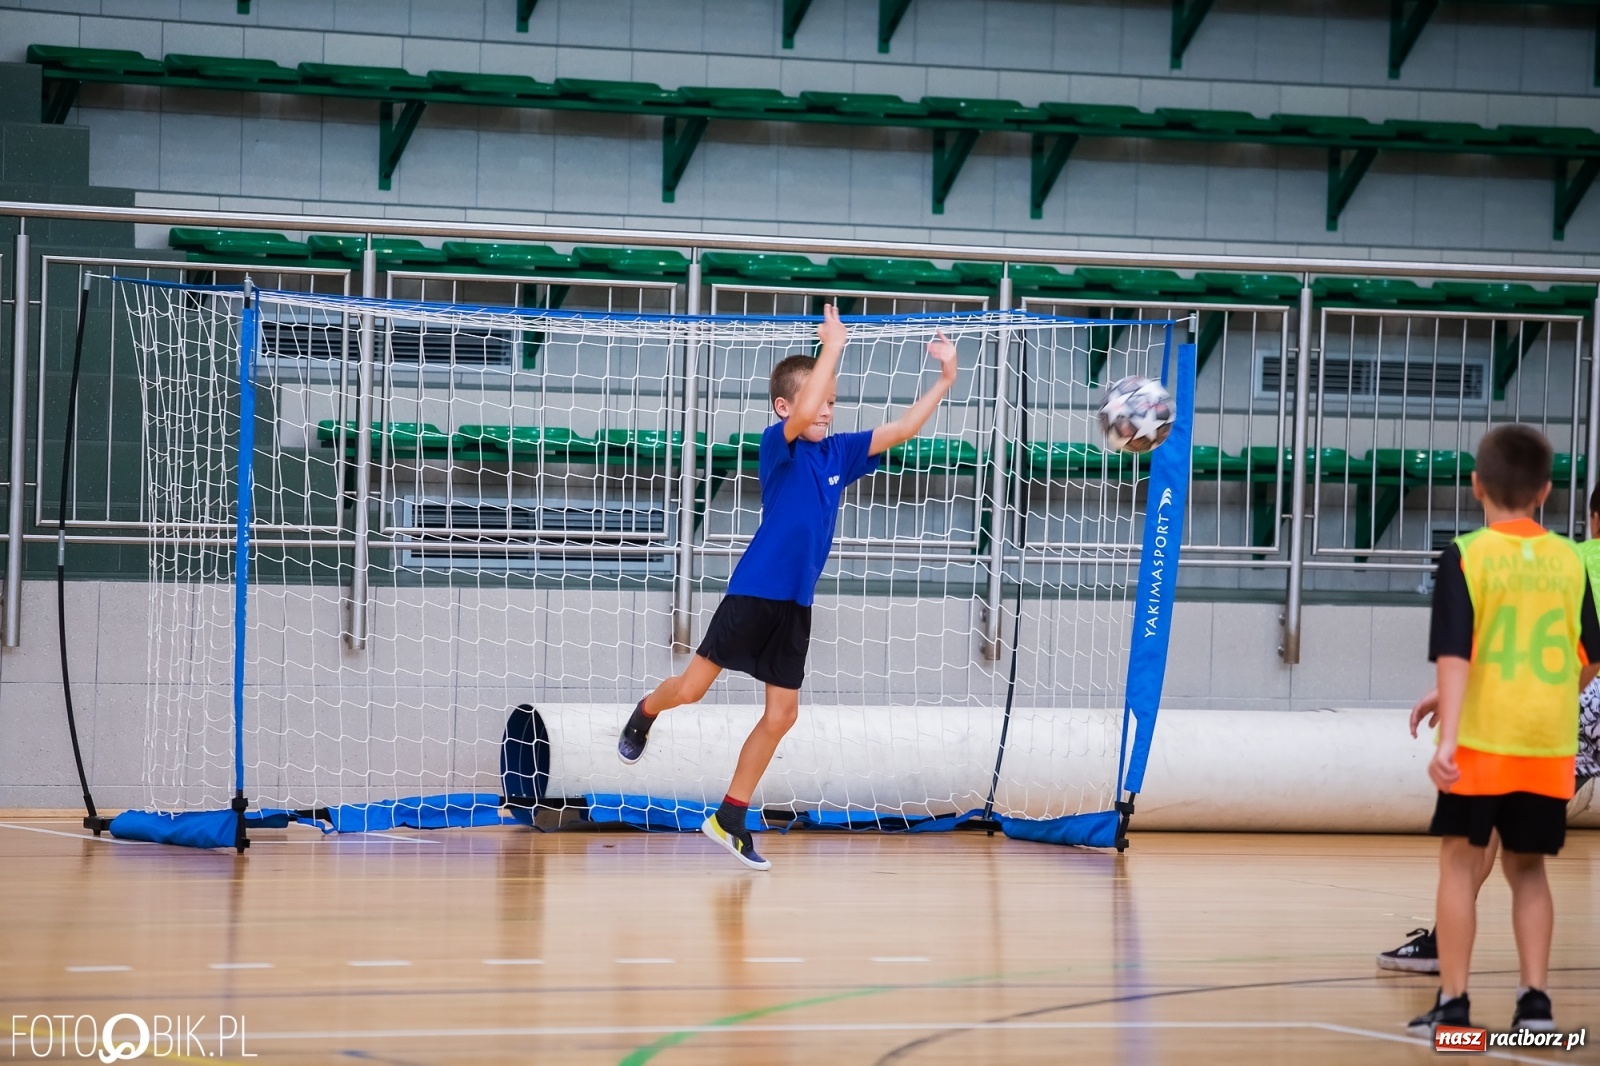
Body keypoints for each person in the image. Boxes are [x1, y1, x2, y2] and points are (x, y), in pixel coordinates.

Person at [614, 304, 959, 870]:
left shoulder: (840, 452)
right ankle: (648, 709)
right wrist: (833, 346)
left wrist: (944, 378)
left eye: (833, 401)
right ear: (786, 408)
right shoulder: (781, 443)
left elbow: (902, 429)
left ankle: (729, 817)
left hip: (796, 604)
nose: (828, 408)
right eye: (820, 400)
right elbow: (804, 410)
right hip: (754, 591)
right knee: (693, 691)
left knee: (783, 715)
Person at [1403, 425, 1600, 1037]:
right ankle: (1535, 1004)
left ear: (1476, 485)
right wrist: (1548, 699)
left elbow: (1456, 654)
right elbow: (1591, 653)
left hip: (1484, 742)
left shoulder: (1466, 555)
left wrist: (1452, 733)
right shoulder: (1571, 558)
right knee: (1529, 870)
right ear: (1546, 491)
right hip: (1545, 743)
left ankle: (1456, 1005)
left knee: (1460, 866)